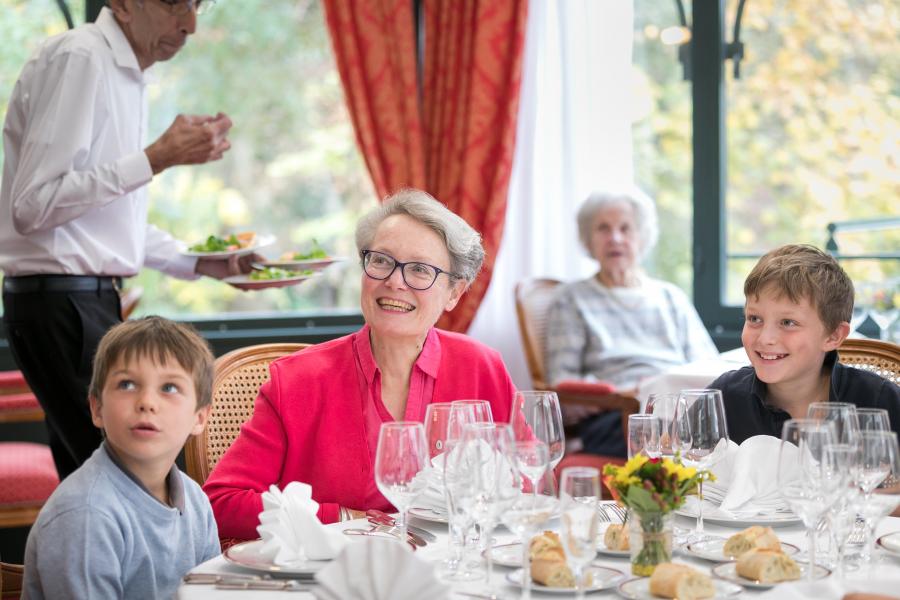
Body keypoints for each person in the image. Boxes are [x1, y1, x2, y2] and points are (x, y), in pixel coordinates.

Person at [0, 0, 252, 480]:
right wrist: (155, 158)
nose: (191, 24)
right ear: (122, 4)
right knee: (137, 480)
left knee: (100, 487)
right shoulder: (81, 57)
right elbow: (32, 205)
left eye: (199, 5)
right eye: (175, 3)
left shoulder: (127, 73)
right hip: (62, 305)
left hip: (78, 303)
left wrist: (202, 263)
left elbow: (103, 222)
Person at [203, 189, 517, 538]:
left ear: (454, 293)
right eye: (381, 261)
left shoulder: (481, 367)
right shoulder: (297, 380)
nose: (395, 282)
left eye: (419, 270)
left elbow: (525, 484)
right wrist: (344, 518)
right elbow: (221, 504)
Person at [22, 316, 220, 599]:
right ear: (97, 408)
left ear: (199, 418)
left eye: (169, 388)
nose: (147, 403)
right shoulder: (86, 516)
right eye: (127, 384)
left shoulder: (196, 500)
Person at [545, 187, 718, 456]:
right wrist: (628, 393)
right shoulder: (571, 299)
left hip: (680, 410)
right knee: (695, 443)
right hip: (620, 416)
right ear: (588, 240)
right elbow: (561, 382)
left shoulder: (670, 297)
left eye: (626, 228)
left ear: (642, 237)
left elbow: (707, 363)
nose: (615, 238)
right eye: (603, 228)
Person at [710, 244, 900, 442]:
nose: (765, 338)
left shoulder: (880, 402)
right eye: (755, 319)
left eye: (788, 323)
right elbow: (680, 463)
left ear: (833, 336)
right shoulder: (723, 399)